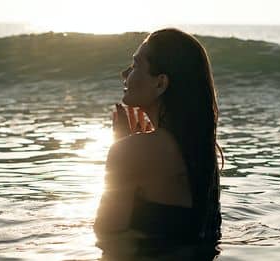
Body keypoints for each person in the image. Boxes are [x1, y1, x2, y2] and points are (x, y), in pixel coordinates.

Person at [94, 28, 224, 259]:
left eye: (135, 65)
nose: (125, 73)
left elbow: (106, 233)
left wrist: (123, 147)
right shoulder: (201, 151)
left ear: (160, 83)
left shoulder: (133, 151)